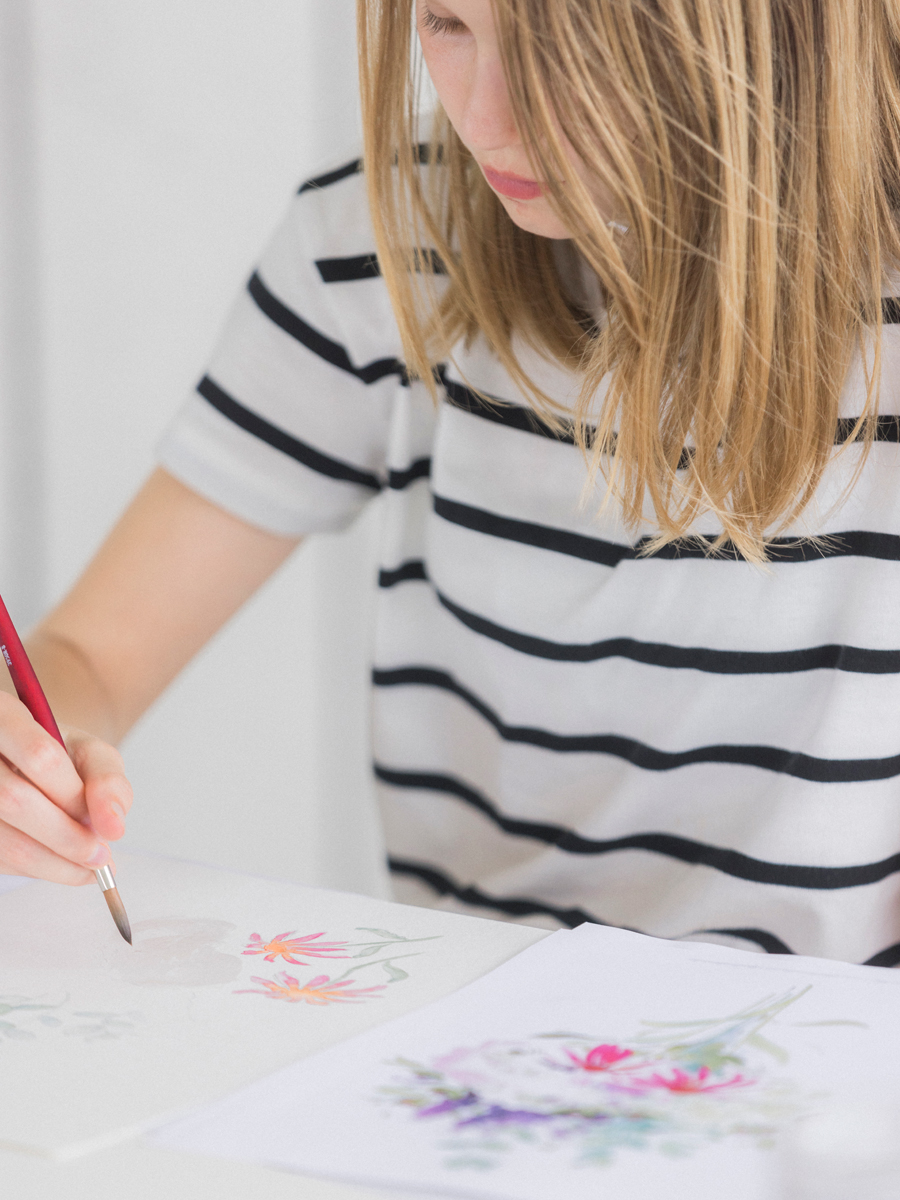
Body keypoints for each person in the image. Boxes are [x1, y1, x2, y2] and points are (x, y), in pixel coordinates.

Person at [3, 0, 900, 964]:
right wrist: (31, 761)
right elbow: (92, 658)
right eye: (446, 23)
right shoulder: (387, 235)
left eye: (571, 52)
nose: (486, 120)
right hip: (478, 1051)